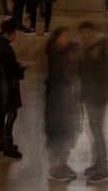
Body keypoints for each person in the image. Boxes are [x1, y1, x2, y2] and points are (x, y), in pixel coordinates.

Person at [77, 21, 108, 183]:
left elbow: (103, 74)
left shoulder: (97, 51)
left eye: (88, 33)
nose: (85, 36)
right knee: (95, 133)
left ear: (92, 33)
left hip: (97, 98)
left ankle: (103, 168)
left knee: (97, 133)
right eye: (83, 33)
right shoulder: (88, 50)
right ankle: (98, 164)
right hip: (91, 97)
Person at [45, 27, 81, 181]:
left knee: (67, 136)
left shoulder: (64, 52)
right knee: (58, 137)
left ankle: (63, 165)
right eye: (64, 36)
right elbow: (62, 75)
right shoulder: (55, 54)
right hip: (58, 103)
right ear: (57, 38)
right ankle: (56, 168)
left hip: (67, 102)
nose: (67, 38)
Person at [0, 19, 24, 159]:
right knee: (11, 113)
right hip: (7, 86)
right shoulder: (4, 48)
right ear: (10, 33)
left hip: (1, 84)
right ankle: (7, 146)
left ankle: (1, 142)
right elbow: (8, 69)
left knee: (3, 112)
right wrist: (19, 69)